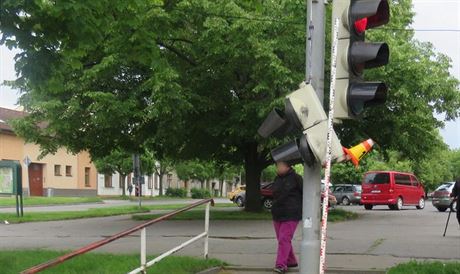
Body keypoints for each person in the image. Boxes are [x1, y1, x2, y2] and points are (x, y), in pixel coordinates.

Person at [271, 161, 303, 274]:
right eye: (277, 166)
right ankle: (291, 261)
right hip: (277, 213)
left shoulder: (297, 178)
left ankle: (281, 265)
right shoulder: (277, 179)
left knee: (284, 238)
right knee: (282, 239)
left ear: (287, 166)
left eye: (280, 166)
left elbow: (307, 193)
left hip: (291, 214)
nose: (277, 168)